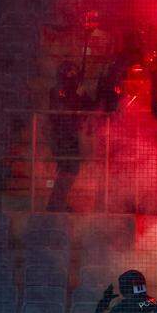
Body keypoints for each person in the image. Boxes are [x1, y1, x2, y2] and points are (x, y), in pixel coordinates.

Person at [48, 61, 92, 211]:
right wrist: (77, 96)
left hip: (71, 136)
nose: (73, 76)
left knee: (71, 169)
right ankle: (55, 205)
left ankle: (58, 203)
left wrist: (82, 95)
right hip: (61, 137)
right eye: (70, 72)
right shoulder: (57, 91)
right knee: (68, 169)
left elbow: (90, 107)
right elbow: (61, 111)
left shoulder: (75, 90)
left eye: (75, 72)